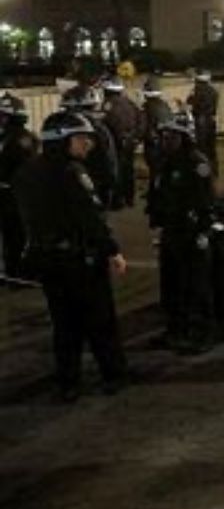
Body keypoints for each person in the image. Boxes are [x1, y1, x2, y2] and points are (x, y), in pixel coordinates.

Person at [15, 110, 129, 401]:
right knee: (99, 320)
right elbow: (90, 217)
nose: (87, 145)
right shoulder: (73, 172)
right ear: (62, 141)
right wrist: (112, 251)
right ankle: (113, 375)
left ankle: (68, 382)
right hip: (80, 259)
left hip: (48, 259)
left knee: (64, 324)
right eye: (80, 139)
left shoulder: (27, 172)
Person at [146, 112, 217, 355]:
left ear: (184, 137)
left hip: (192, 231)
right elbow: (159, 193)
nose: (166, 139)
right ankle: (175, 329)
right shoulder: (166, 162)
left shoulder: (197, 163)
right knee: (172, 285)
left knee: (197, 285)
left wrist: (203, 231)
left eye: (171, 135)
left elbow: (206, 200)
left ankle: (202, 333)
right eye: (164, 135)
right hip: (172, 230)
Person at [61, 85, 120, 212]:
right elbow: (109, 159)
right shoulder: (99, 128)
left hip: (83, 186)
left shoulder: (64, 129)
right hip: (93, 184)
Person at [0, 93, 38, 280]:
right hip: (11, 194)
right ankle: (13, 270)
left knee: (17, 234)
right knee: (12, 234)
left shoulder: (20, 139)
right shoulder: (16, 137)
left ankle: (20, 271)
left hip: (15, 195)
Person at [101, 78, 142, 209]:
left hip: (116, 142)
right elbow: (141, 119)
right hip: (131, 140)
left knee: (116, 170)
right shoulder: (130, 103)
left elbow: (106, 123)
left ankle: (117, 201)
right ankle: (130, 198)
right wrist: (135, 137)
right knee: (129, 169)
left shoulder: (108, 105)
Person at [187, 71, 220, 170]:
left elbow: (189, 103)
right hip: (211, 119)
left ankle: (204, 170)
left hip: (201, 120)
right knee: (211, 146)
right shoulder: (213, 90)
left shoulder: (196, 90)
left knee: (201, 147)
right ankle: (214, 169)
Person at [141, 79, 173, 177]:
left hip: (153, 145)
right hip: (167, 144)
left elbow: (143, 126)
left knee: (154, 172)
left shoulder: (146, 107)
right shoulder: (165, 105)